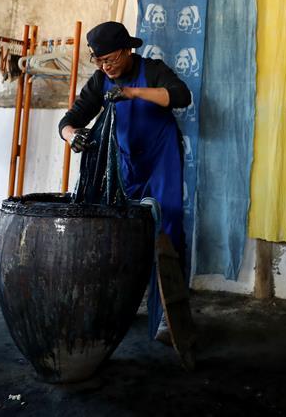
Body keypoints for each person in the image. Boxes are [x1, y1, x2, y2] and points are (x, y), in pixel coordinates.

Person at [59, 21, 190, 342]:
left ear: (127, 50)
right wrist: (72, 137)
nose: (105, 67)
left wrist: (132, 92)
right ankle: (117, 306)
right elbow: (69, 120)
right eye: (99, 61)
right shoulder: (100, 80)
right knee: (119, 232)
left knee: (168, 226)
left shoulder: (152, 69)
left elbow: (181, 96)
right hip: (125, 164)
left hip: (161, 160)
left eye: (111, 60)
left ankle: (167, 316)